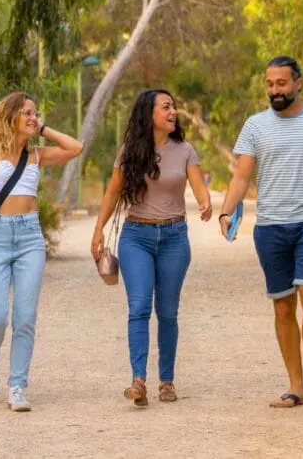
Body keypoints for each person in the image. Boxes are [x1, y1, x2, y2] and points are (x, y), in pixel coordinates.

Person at [218, 56, 303, 414]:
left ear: (298, 83)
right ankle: (294, 385)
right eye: (270, 84)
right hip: (270, 226)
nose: (274, 90)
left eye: (281, 83)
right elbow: (242, 176)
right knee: (282, 305)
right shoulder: (255, 126)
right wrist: (226, 210)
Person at [91, 89, 212, 406]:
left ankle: (167, 381)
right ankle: (138, 380)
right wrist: (97, 230)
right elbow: (112, 193)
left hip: (174, 236)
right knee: (140, 308)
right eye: (166, 107)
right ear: (150, 115)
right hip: (136, 237)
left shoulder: (185, 150)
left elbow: (199, 187)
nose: (173, 112)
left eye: (174, 106)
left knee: (168, 312)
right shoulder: (129, 152)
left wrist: (206, 203)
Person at [0, 91, 84, 412]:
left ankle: (17, 386)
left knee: (25, 317)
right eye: (27, 113)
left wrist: (43, 130)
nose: (33, 118)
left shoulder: (36, 154)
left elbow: (76, 148)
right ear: (10, 117)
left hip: (31, 236)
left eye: (36, 113)